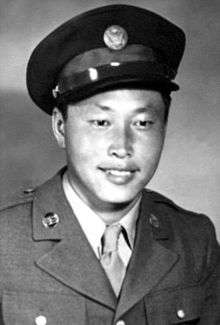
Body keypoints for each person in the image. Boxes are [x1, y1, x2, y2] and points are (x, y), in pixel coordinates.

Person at [0, 4, 219, 325]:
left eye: (143, 123)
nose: (122, 147)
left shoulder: (195, 240)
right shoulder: (4, 241)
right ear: (61, 126)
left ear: (164, 126)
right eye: (101, 122)